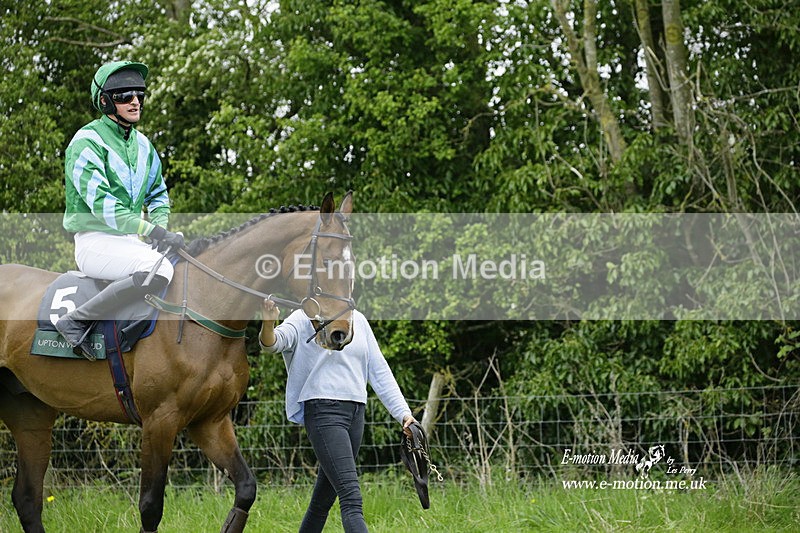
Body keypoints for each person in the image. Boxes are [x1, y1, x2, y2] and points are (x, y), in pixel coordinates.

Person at [57, 60, 185, 360]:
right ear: (105, 101)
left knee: (182, 268)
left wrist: (160, 229)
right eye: (125, 95)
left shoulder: (144, 146)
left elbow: (157, 195)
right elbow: (104, 207)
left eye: (139, 93)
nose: (135, 101)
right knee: (161, 269)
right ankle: (76, 320)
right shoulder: (86, 142)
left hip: (132, 242)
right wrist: (154, 230)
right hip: (95, 242)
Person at [259, 299, 416, 533]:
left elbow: (379, 370)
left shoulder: (358, 320)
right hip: (324, 412)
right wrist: (268, 323)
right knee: (351, 499)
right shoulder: (303, 317)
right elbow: (271, 344)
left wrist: (403, 414)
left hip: (355, 413)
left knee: (321, 503)